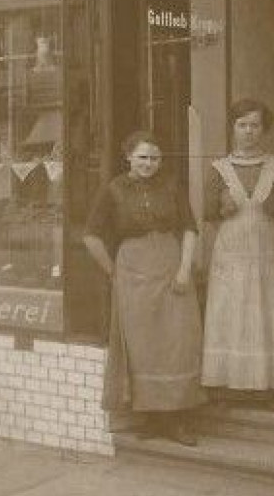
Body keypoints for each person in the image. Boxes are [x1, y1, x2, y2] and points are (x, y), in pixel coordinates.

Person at [83, 130, 206, 445]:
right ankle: (151, 419)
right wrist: (114, 273)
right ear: (128, 157)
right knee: (143, 346)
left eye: (154, 158)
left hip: (170, 268)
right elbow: (91, 236)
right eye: (142, 157)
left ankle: (177, 421)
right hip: (132, 272)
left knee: (177, 343)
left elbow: (190, 228)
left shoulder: (172, 186)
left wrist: (184, 270)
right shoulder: (113, 190)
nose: (148, 163)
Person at [200, 99, 274, 407]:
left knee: (271, 314)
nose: (249, 132)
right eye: (242, 125)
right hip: (232, 252)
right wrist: (222, 207)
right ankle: (229, 385)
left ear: (265, 129)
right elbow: (207, 213)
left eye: (255, 125)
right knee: (232, 315)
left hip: (270, 250)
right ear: (233, 128)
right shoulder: (218, 168)